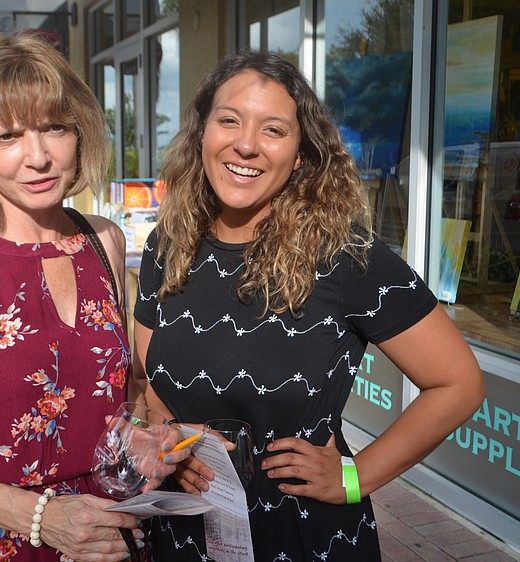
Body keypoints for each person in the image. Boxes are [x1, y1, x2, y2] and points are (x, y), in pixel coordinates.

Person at [133, 50, 486, 560]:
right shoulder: (168, 245)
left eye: (273, 130)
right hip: (189, 527)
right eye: (229, 120)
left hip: (302, 535)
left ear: (300, 154)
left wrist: (355, 476)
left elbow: (458, 383)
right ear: (202, 134)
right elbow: (148, 382)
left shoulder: (344, 256)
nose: (246, 145)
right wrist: (171, 442)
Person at [0, 33, 186, 561]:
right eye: (7, 136)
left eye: (54, 127)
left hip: (112, 533)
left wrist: (141, 436)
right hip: (4, 540)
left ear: (81, 132)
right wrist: (42, 519)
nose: (38, 157)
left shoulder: (104, 241)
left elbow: (125, 391)